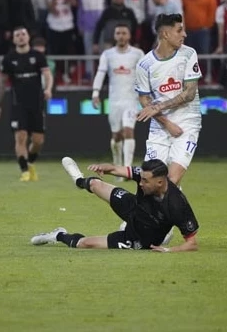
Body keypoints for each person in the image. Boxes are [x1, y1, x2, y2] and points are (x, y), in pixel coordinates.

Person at [31, 157, 199, 252]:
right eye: (141, 179)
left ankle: (58, 235)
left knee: (86, 244)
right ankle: (79, 180)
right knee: (96, 185)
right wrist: (106, 167)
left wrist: (168, 250)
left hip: (138, 238)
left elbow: (192, 243)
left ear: (160, 182)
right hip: (133, 207)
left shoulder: (177, 204)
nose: (140, 183)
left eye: (145, 181)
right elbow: (119, 170)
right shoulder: (145, 177)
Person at [135, 13, 201, 186]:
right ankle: (171, 211)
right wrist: (166, 123)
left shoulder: (188, 54)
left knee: (171, 180)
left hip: (187, 122)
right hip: (160, 127)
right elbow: (144, 99)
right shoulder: (145, 64)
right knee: (149, 180)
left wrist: (159, 107)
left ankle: (174, 210)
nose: (184, 35)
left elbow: (189, 93)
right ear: (165, 34)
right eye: (179, 31)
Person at [0, 26, 53, 182]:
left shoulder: (38, 56)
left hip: (37, 103)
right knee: (21, 137)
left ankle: (30, 162)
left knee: (38, 141)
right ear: (13, 39)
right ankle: (24, 171)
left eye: (23, 34)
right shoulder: (8, 59)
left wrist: (48, 89)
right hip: (18, 104)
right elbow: (2, 83)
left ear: (28, 37)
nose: (21, 37)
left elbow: (47, 74)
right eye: (17, 35)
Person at [92, 23, 145, 168]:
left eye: (124, 33)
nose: (121, 36)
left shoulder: (138, 54)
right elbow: (100, 73)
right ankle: (117, 160)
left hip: (131, 101)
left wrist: (147, 94)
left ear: (129, 35)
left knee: (128, 130)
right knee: (116, 136)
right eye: (118, 33)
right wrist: (95, 93)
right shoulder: (107, 54)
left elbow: (145, 74)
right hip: (114, 101)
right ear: (115, 36)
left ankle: (127, 168)